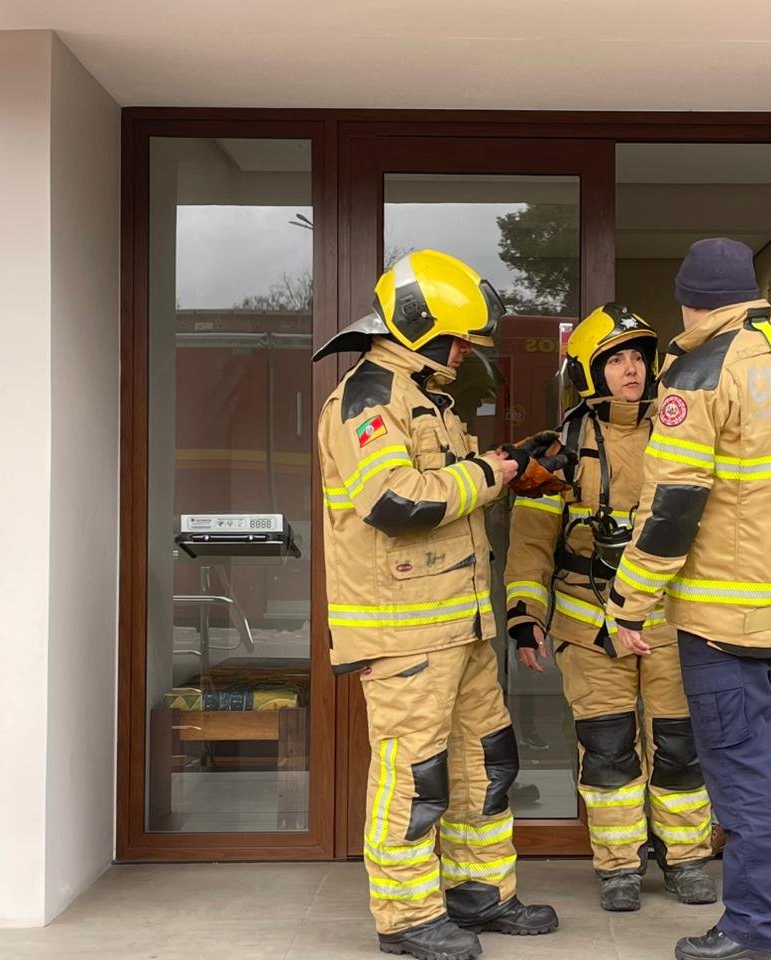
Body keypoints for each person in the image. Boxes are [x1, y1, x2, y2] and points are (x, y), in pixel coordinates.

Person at [606, 239, 771, 960]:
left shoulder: (697, 374)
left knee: (744, 782)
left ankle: (756, 931)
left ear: (690, 300)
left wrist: (629, 603)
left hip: (722, 621)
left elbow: (673, 508)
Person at [314, 249, 559, 960]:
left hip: (458, 623)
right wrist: (490, 473)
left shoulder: (423, 398)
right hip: (404, 631)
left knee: (488, 759)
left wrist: (504, 467)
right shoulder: (367, 400)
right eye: (457, 340)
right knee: (413, 777)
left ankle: (480, 894)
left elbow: (446, 483)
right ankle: (407, 917)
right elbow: (396, 500)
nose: (462, 354)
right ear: (421, 327)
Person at [503, 303, 717, 913]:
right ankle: (619, 866)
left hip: (672, 621)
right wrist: (524, 614)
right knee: (607, 749)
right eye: (616, 359)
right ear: (591, 374)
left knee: (680, 748)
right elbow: (532, 542)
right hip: (588, 624)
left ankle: (687, 858)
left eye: (638, 358)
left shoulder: (682, 432)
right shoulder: (561, 450)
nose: (632, 370)